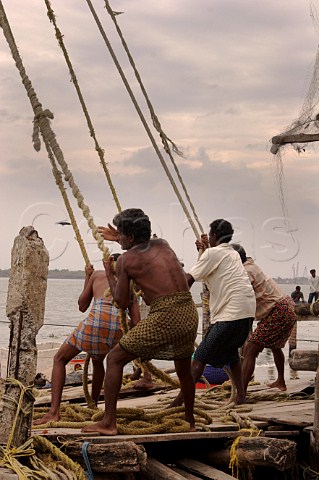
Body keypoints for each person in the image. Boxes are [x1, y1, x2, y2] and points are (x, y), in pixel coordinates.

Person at [82, 208, 199, 435]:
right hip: (189, 312)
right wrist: (119, 237)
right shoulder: (163, 244)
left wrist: (109, 273)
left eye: (122, 235)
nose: (119, 239)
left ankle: (108, 423)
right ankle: (190, 420)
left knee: (115, 359)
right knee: (183, 369)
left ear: (131, 237)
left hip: (167, 315)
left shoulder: (126, 260)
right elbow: (140, 248)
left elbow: (122, 301)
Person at [33, 257, 133, 425]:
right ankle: (92, 405)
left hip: (96, 323)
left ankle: (54, 412)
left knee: (59, 359)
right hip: (116, 330)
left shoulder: (98, 275)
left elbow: (82, 305)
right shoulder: (130, 283)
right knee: (99, 359)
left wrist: (88, 276)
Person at [170, 219, 256, 408]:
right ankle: (241, 396)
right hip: (247, 311)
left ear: (214, 236)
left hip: (230, 313)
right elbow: (212, 265)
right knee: (232, 354)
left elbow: (189, 280)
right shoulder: (232, 253)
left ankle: (179, 402)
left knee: (200, 356)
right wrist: (204, 250)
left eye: (210, 235)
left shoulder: (212, 253)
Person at [232, 244, 297, 392]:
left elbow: (238, 294)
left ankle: (241, 393)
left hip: (278, 311)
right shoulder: (249, 265)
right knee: (275, 346)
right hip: (286, 307)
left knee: (250, 349)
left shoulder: (245, 272)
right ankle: (281, 381)